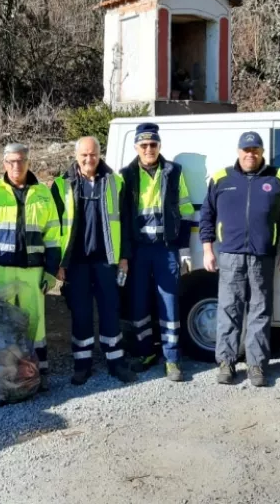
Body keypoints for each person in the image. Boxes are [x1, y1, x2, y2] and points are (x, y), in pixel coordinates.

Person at [199, 131, 280, 387]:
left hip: (263, 255)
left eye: (255, 150)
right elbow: (206, 216)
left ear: (262, 152)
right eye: (246, 150)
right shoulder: (221, 178)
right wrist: (207, 249)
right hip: (230, 255)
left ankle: (256, 365)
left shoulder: (279, 178)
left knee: (260, 311)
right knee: (229, 310)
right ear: (238, 151)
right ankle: (226, 363)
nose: (250, 154)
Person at [0, 143, 60, 391]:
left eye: (20, 160)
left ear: (28, 162)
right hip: (1, 270)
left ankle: (38, 373)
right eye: (11, 161)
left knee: (35, 322)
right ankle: (6, 376)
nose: (16, 166)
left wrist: (51, 270)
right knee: (4, 325)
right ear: (4, 164)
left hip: (33, 271)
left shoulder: (43, 193)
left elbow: (53, 235)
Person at [52, 136, 137, 386]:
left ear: (100, 155)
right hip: (76, 262)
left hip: (106, 261)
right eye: (84, 155)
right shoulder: (60, 185)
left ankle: (116, 362)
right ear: (76, 156)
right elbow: (53, 226)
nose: (89, 159)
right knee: (81, 314)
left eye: (93, 154)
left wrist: (124, 257)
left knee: (111, 311)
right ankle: (82, 365)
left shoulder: (115, 182)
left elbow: (127, 222)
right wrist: (59, 262)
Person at [120, 123, 194, 382]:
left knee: (169, 303)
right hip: (139, 250)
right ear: (136, 147)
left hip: (166, 249)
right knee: (138, 302)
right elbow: (122, 218)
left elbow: (185, 211)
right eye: (144, 145)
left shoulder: (173, 172)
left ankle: (172, 359)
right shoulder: (125, 175)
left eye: (153, 145)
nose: (149, 149)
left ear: (159, 146)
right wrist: (124, 255)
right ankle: (144, 353)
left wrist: (184, 248)